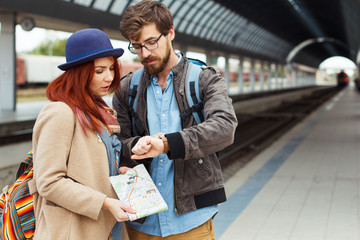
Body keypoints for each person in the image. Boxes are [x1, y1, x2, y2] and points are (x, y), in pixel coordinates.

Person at [112, 0, 238, 239]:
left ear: (170, 32)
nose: (145, 53)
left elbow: (225, 127)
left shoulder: (204, 79)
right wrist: (133, 145)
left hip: (191, 221)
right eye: (137, 46)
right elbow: (118, 142)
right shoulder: (127, 88)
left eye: (151, 42)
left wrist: (168, 143)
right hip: (140, 221)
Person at [30, 28, 135, 240]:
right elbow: (49, 182)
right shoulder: (59, 112)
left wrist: (118, 169)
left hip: (106, 225)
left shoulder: (98, 111)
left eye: (111, 69)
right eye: (99, 71)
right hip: (73, 230)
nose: (109, 77)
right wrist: (104, 202)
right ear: (79, 72)